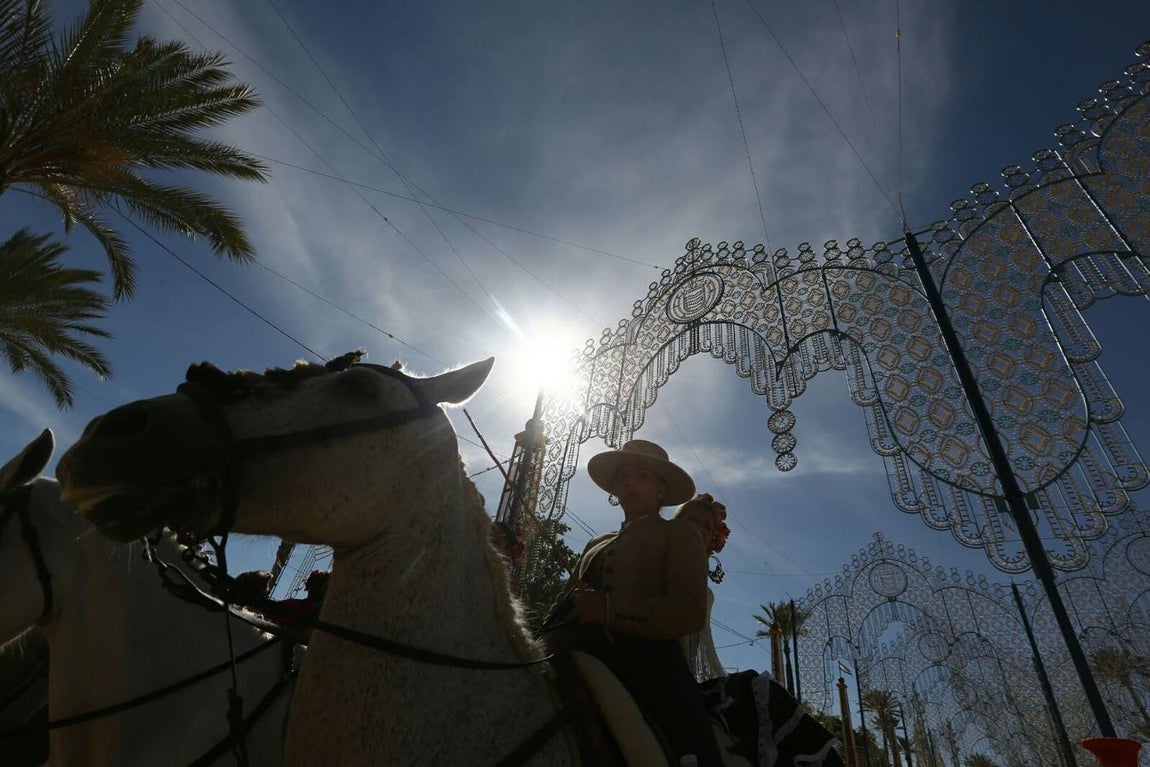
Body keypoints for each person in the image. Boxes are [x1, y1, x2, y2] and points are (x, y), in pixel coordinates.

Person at [547, 439, 723, 767]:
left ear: (661, 489)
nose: (630, 482)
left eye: (642, 475)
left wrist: (608, 608)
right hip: (574, 647)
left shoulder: (678, 533)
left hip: (652, 669)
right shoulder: (597, 543)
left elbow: (689, 611)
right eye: (624, 475)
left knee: (692, 754)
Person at [673, 494, 844, 767]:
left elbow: (697, 651)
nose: (697, 528)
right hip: (666, 673)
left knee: (761, 692)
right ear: (676, 523)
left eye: (706, 526)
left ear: (712, 539)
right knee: (755, 688)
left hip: (685, 678)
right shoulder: (656, 561)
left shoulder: (702, 586)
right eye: (691, 520)